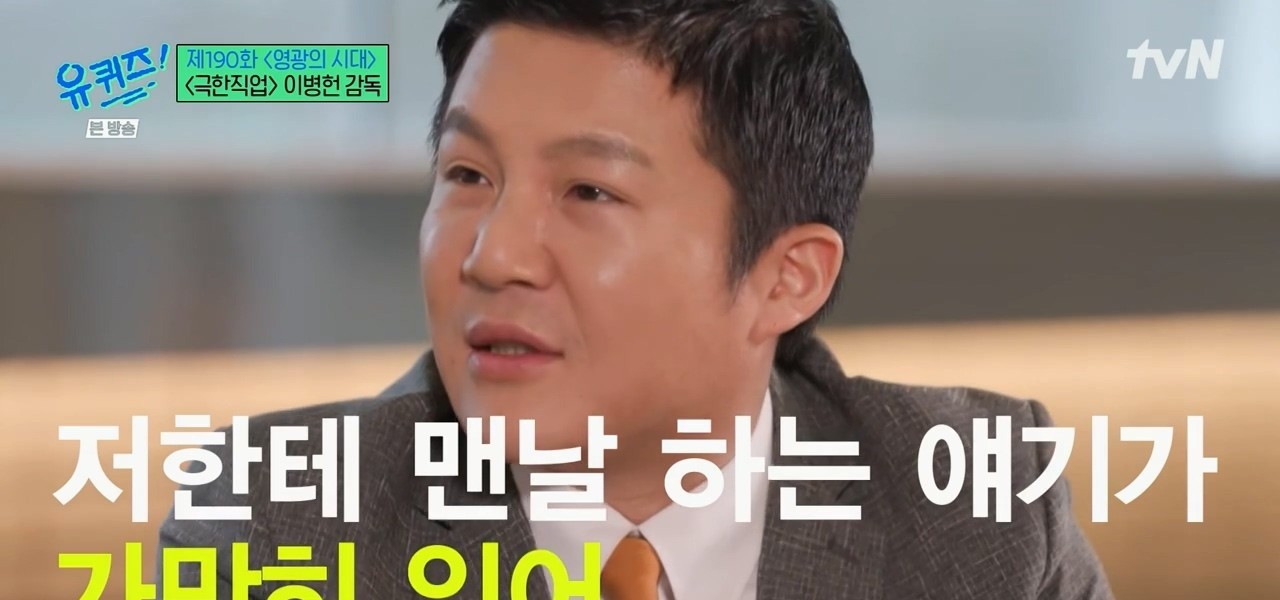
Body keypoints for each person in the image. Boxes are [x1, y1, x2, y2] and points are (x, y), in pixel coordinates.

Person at [159, 1, 1114, 598]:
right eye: (467, 174)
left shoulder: (976, 508)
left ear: (787, 277)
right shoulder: (279, 520)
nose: (491, 257)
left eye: (588, 192)